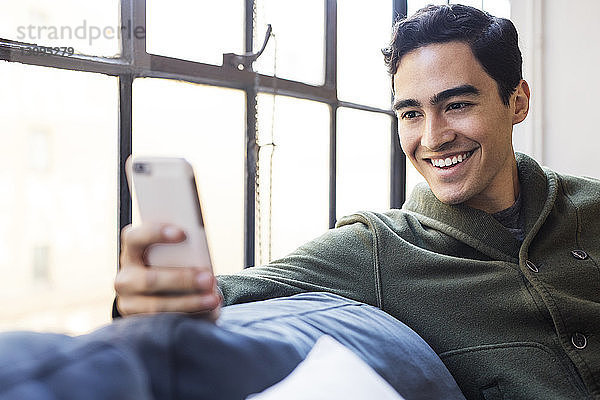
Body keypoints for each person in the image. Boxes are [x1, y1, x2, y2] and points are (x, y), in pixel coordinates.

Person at [114, 4, 600, 399]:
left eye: (457, 105)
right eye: (411, 113)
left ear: (517, 101)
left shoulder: (592, 206)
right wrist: (145, 294)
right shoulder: (379, 248)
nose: (433, 137)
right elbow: (232, 291)